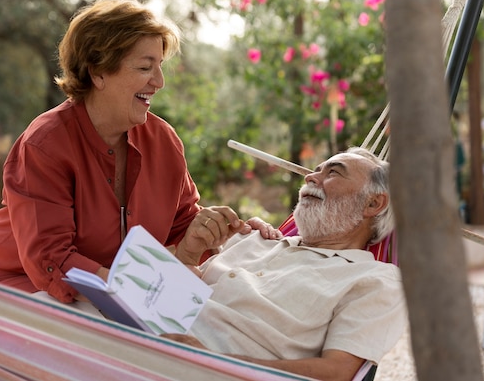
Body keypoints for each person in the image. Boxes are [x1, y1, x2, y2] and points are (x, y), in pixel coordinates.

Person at [0, 0, 279, 305]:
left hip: (106, 297)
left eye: (160, 66)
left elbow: (181, 225)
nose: (159, 82)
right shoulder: (45, 144)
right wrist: (141, 291)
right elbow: (50, 261)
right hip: (18, 292)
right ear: (98, 72)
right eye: (145, 67)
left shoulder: (164, 142)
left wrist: (230, 234)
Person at [166, 147, 407, 381]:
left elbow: (336, 373)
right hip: (148, 341)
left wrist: (216, 362)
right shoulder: (252, 238)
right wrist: (189, 253)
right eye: (316, 170)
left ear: (373, 204)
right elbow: (170, 304)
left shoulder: (375, 280)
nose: (310, 177)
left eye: (333, 172)